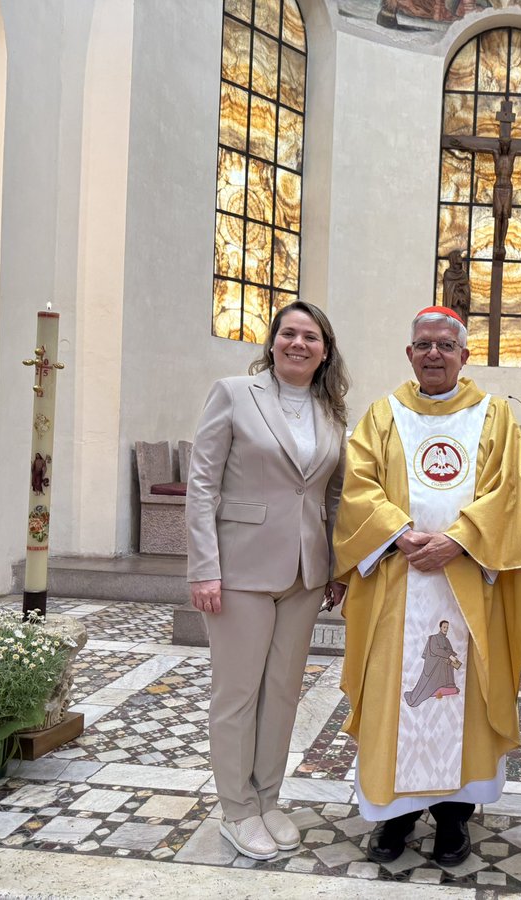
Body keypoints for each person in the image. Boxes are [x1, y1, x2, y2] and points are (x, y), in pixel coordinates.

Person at [333, 306, 521, 867]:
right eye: (424, 344)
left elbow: (510, 492)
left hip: (468, 585)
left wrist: (459, 540)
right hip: (398, 581)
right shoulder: (382, 414)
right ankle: (394, 816)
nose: (434, 354)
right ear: (410, 354)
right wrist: (399, 534)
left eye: (445, 345)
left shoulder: (493, 416)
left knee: (464, 697)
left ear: (464, 355)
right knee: (394, 693)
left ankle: (453, 817)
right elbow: (359, 486)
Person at [185, 301, 350, 861]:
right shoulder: (234, 394)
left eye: (311, 336)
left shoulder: (331, 413)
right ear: (273, 341)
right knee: (237, 693)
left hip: (305, 573)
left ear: (325, 351)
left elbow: (331, 498)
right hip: (240, 569)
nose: (298, 343)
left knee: (281, 692)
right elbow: (202, 485)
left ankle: (267, 798)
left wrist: (335, 566)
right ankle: (237, 809)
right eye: (289, 333)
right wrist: (204, 567)